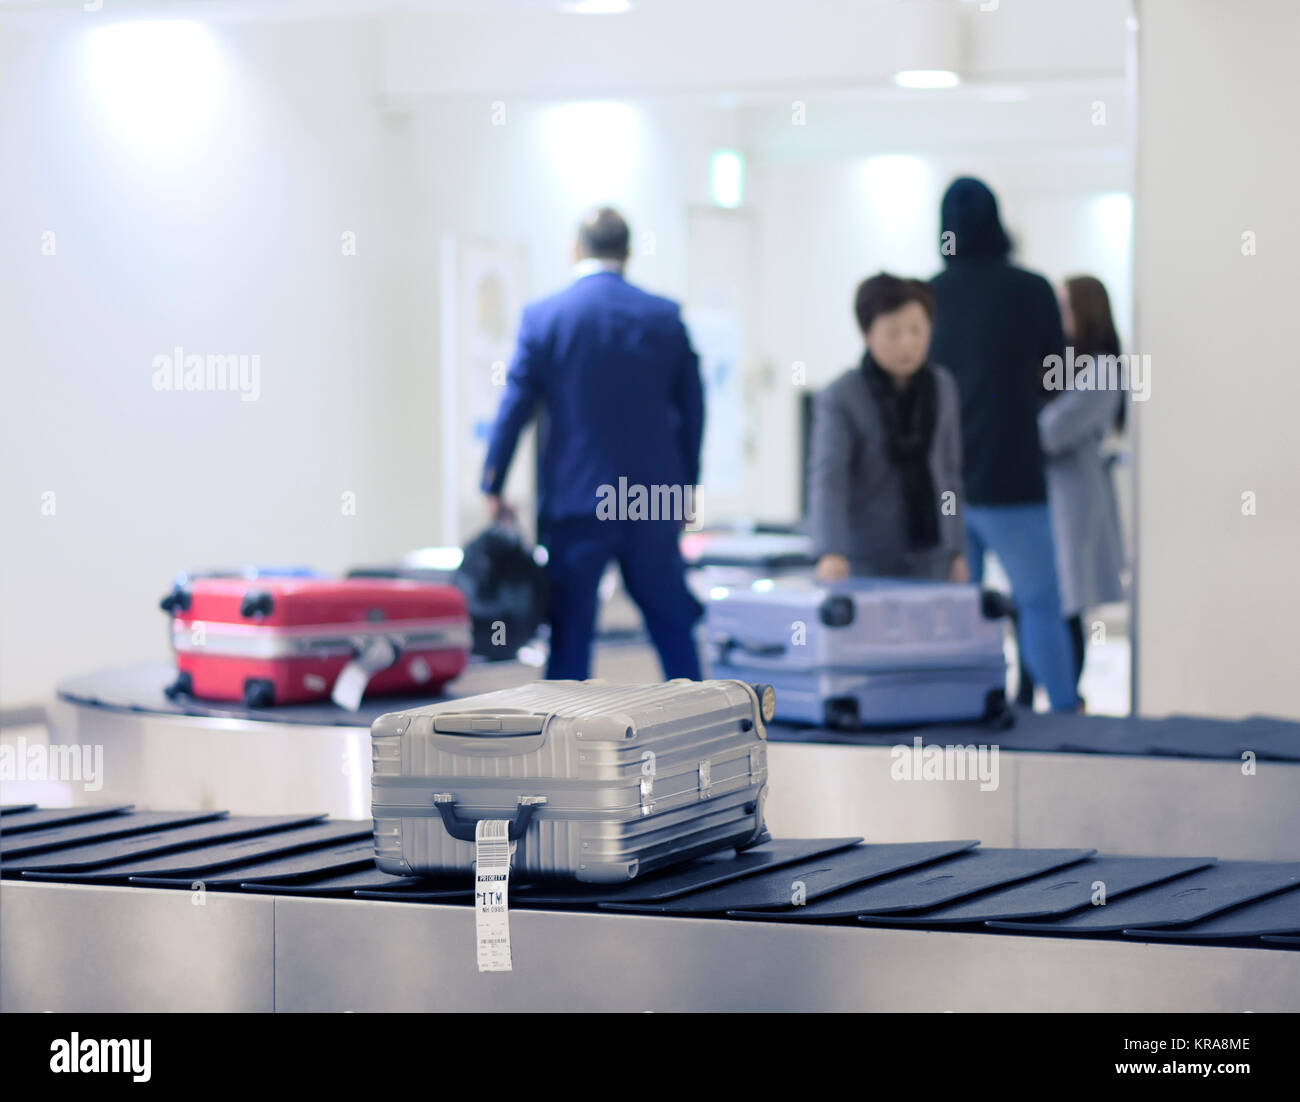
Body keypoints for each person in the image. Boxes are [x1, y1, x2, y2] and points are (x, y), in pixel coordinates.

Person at [480, 207, 705, 681]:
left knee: (570, 632)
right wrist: (686, 487)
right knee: (671, 623)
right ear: (628, 251)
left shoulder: (546, 318)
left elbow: (515, 407)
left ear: (575, 248)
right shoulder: (664, 317)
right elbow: (693, 408)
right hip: (651, 498)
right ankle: (705, 723)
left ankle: (566, 739)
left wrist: (493, 480)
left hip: (578, 500)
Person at [927, 176, 1078, 712]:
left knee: (955, 612)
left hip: (946, 481)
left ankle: (963, 713)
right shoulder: (1032, 288)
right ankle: (1065, 716)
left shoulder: (931, 295)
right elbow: (1054, 376)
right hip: (1014, 473)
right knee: (1039, 605)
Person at [809, 274, 967, 583]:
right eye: (892, 333)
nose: (907, 343)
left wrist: (956, 549)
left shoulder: (942, 387)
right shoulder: (842, 395)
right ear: (868, 334)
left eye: (916, 330)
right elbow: (829, 479)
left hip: (932, 552)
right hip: (865, 555)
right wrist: (830, 551)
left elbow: (949, 473)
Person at [1022, 275, 1127, 701]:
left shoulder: (1103, 368)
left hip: (1074, 497)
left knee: (1066, 603)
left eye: (1064, 306)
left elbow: (1050, 433)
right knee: (1038, 599)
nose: (1056, 316)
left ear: (1087, 311)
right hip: (1047, 495)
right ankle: (1029, 698)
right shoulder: (1060, 365)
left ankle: (1067, 700)